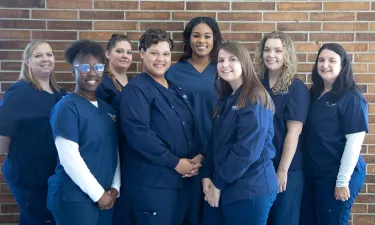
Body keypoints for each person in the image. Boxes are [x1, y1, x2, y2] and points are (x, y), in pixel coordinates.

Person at [118, 29, 201, 225]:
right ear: (142, 53)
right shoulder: (136, 89)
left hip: (182, 182)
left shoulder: (176, 89)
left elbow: (191, 127)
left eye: (165, 54)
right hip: (153, 185)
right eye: (154, 53)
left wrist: (197, 157)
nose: (160, 59)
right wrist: (175, 163)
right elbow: (139, 134)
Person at [202, 41, 278, 225]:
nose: (225, 64)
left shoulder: (255, 96)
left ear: (244, 62)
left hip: (250, 189)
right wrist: (206, 175)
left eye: (232, 59)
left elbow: (247, 150)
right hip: (227, 185)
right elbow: (217, 143)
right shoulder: (227, 98)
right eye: (220, 60)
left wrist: (219, 183)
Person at [48, 40, 120, 225]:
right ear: (74, 71)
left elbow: (115, 151)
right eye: (85, 67)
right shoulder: (67, 107)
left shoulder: (108, 110)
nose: (92, 72)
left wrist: (115, 188)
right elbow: (69, 157)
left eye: (97, 67)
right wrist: (99, 194)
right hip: (75, 198)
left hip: (106, 195)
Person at [300, 43, 368, 225]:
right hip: (314, 173)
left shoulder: (351, 97)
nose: (325, 65)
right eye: (321, 60)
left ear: (343, 65)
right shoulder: (314, 93)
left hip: (337, 175)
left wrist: (342, 181)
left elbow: (354, 143)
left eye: (332, 60)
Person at [0, 40, 65, 225]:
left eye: (49, 54)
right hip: (28, 178)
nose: (45, 59)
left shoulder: (59, 93)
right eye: (38, 55)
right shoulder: (20, 91)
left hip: (50, 176)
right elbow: (2, 138)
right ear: (27, 61)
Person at [165, 18, 223, 224]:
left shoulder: (223, 71)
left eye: (207, 36)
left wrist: (207, 153)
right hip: (184, 160)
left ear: (215, 39)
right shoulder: (173, 73)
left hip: (217, 153)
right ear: (188, 40)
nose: (201, 41)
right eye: (196, 35)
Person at [254, 31, 309, 225]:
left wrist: (282, 170)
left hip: (286, 168)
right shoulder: (256, 85)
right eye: (267, 50)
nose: (271, 55)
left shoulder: (296, 88)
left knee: (283, 220)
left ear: (287, 55)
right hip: (260, 167)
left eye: (278, 50)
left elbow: (294, 132)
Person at [96, 34, 133, 113]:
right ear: (108, 54)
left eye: (129, 52)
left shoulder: (134, 83)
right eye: (119, 51)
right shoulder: (101, 83)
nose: (125, 56)